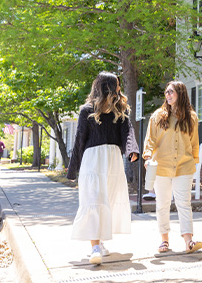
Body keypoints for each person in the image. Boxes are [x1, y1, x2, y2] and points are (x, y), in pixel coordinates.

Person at [66, 71, 139, 265]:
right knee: (93, 201)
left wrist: (132, 150)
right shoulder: (86, 111)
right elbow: (80, 140)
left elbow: (128, 133)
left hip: (112, 162)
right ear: (109, 86)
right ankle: (95, 247)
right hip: (93, 162)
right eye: (117, 84)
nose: (119, 88)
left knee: (107, 201)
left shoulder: (120, 111)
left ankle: (100, 242)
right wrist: (72, 169)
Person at [143, 81, 202, 254]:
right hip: (161, 167)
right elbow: (150, 139)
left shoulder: (191, 117)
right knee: (162, 204)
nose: (167, 95)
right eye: (166, 92)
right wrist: (147, 156)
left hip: (184, 167)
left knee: (184, 203)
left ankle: (188, 241)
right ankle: (164, 240)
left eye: (171, 92)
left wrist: (195, 161)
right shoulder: (158, 116)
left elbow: (194, 142)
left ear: (180, 93)